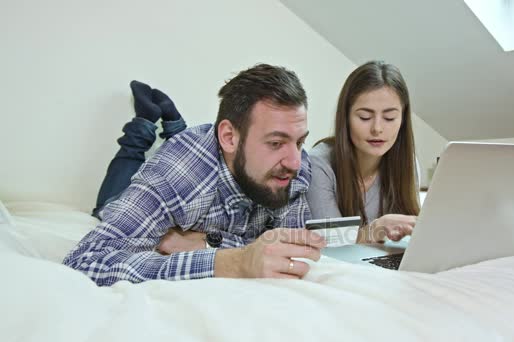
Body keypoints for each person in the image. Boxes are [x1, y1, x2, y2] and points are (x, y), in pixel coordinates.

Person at [63, 64, 326, 286]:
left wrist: (205, 243)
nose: (294, 162)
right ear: (229, 137)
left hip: (205, 169)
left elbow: (283, 248)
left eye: (300, 142)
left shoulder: (294, 165)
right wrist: (232, 261)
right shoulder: (177, 174)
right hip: (151, 184)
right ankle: (144, 123)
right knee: (107, 204)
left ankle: (174, 124)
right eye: (276, 143)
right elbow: (85, 261)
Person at [306, 61, 420, 244]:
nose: (377, 129)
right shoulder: (317, 164)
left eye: (390, 118)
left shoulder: (408, 163)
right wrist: (376, 229)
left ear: (403, 120)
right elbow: (329, 245)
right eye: (365, 117)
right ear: (346, 118)